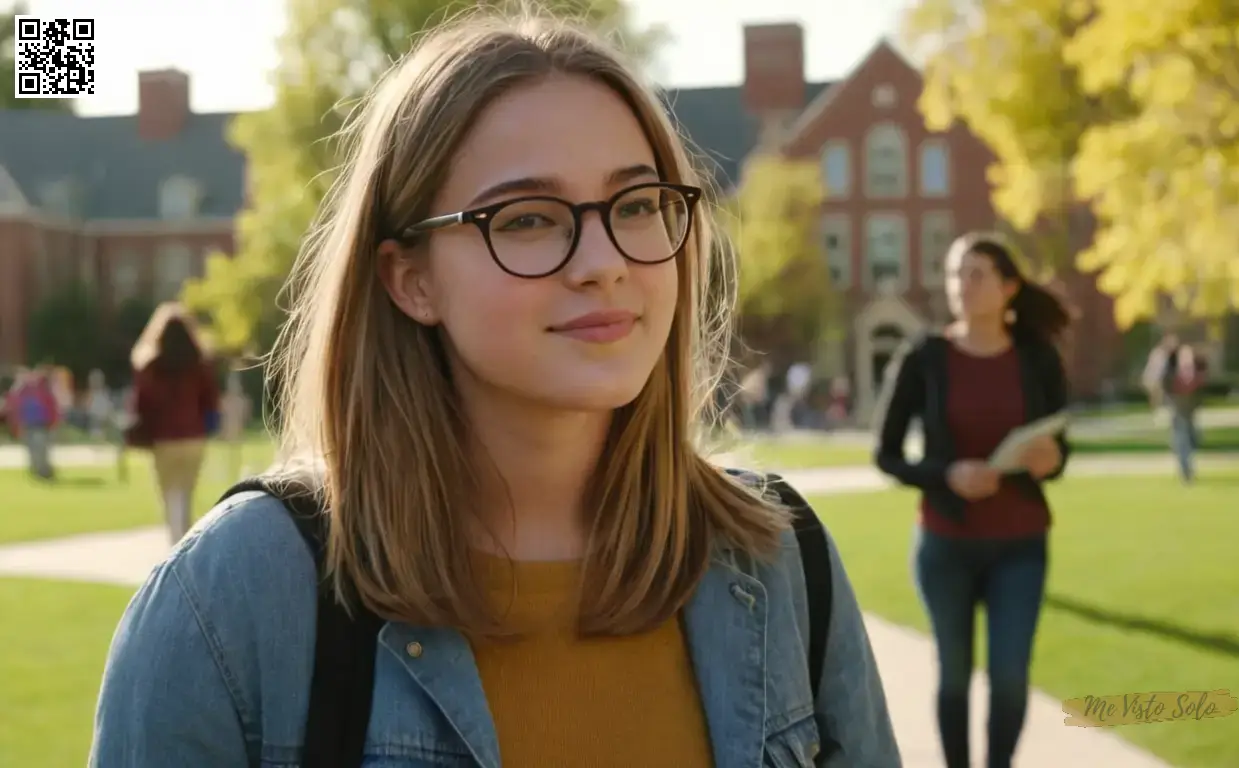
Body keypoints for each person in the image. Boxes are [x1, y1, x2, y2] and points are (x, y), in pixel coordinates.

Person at [92, 14, 901, 768]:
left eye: (639, 203)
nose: (604, 261)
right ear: (410, 280)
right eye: (527, 219)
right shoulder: (234, 598)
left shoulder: (780, 560)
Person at [874, 232, 1072, 768]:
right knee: (955, 676)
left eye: (977, 274)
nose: (963, 284)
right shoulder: (925, 357)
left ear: (1009, 287)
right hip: (946, 543)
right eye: (957, 273)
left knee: (1009, 677)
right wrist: (946, 475)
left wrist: (1050, 460)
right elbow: (886, 455)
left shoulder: (1037, 358)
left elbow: (1061, 450)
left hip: (1020, 544)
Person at [125, 302, 220, 545]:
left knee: (170, 493)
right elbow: (210, 400)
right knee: (186, 492)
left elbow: (141, 404)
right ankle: (185, 538)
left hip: (163, 438)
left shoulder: (150, 365)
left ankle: (175, 540)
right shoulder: (198, 363)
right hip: (193, 436)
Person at [4, 367, 60, 480]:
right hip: (30, 424)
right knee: (33, 449)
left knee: (40, 449)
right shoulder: (24, 391)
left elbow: (53, 407)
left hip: (41, 424)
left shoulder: (42, 391)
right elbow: (13, 402)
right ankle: (39, 470)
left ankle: (43, 470)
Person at [1167, 344, 1205, 483]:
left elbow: (1199, 394)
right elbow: (1167, 391)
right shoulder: (1173, 375)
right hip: (1178, 413)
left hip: (1190, 414)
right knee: (1183, 442)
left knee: (1193, 440)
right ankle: (1186, 473)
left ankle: (1184, 461)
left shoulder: (1196, 375)